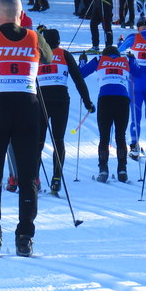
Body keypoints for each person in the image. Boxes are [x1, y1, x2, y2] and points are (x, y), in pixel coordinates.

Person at [0, 0, 51, 258]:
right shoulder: (34, 37)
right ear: (21, 15)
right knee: (28, 176)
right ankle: (25, 237)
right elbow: (49, 58)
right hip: (27, 109)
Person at [36, 27, 93, 194]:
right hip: (60, 100)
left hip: (41, 101)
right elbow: (78, 80)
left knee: (38, 141)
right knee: (58, 140)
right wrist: (87, 101)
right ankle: (56, 178)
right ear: (59, 41)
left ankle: (34, 178)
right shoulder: (65, 55)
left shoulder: (37, 55)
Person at [79, 46, 140, 183]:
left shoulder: (99, 59)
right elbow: (138, 73)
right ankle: (122, 170)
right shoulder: (125, 60)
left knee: (104, 136)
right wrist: (133, 59)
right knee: (121, 136)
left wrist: (82, 61)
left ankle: (103, 169)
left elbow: (81, 73)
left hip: (105, 100)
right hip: (122, 100)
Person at [118, 16, 146, 159]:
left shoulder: (133, 37)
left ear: (138, 27)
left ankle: (134, 145)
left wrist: (120, 42)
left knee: (135, 114)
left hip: (135, 80)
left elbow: (118, 51)